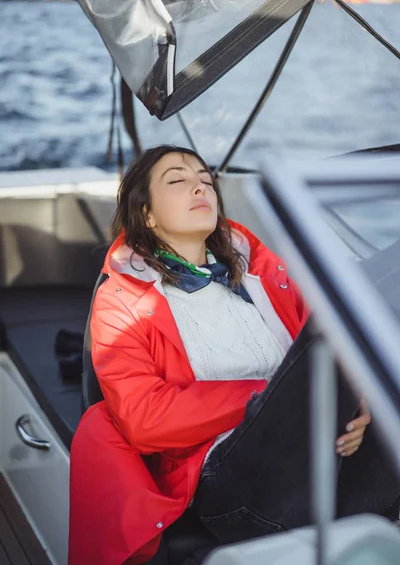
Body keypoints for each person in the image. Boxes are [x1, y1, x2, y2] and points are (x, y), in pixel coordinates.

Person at [68, 145, 399, 565]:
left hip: (333, 469)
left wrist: (362, 409)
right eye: (177, 180)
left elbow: (334, 366)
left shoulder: (265, 273)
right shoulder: (121, 302)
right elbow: (144, 418)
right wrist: (266, 399)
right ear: (147, 215)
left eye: (206, 180)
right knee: (346, 317)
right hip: (234, 491)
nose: (199, 187)